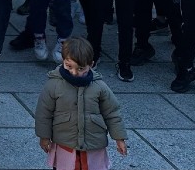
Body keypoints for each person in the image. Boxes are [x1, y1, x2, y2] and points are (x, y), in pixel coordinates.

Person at [34, 37, 128, 170]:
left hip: (93, 142)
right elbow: (44, 113)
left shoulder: (99, 86)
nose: (74, 72)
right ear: (63, 61)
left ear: (91, 64)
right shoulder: (53, 84)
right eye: (69, 66)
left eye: (80, 68)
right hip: (64, 140)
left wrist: (119, 138)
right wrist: (44, 136)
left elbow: (112, 112)